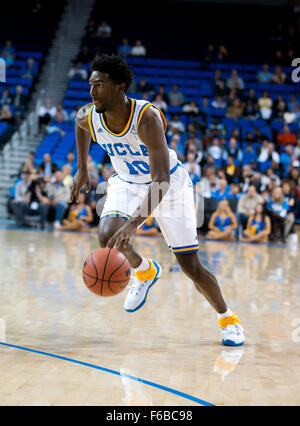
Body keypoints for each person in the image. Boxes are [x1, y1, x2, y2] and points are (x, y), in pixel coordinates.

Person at [69, 54, 245, 346]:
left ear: (119, 88)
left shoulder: (146, 118)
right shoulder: (87, 115)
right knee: (107, 235)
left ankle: (228, 318)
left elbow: (161, 179)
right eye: (90, 85)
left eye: (99, 85)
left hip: (169, 185)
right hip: (127, 183)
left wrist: (134, 225)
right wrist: (82, 168)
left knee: (190, 265)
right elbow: (79, 126)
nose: (91, 92)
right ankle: (144, 270)